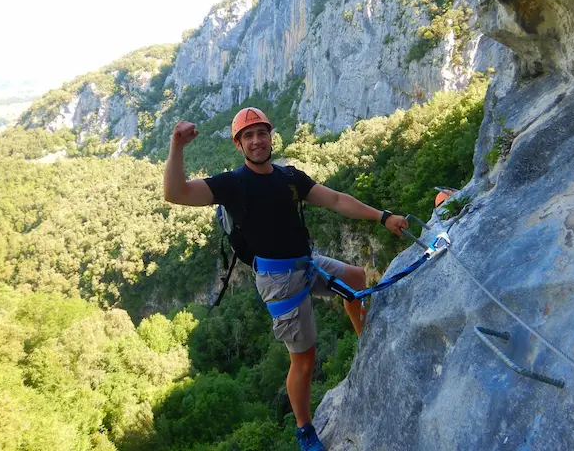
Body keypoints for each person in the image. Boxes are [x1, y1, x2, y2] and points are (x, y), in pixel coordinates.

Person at [164, 107, 408, 451]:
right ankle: (304, 428)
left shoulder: (290, 178)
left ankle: (366, 342)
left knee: (354, 277)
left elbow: (337, 200)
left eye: (260, 132)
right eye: (247, 136)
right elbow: (175, 193)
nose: (256, 140)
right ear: (239, 145)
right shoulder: (232, 185)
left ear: (271, 135)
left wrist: (383, 217)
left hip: (306, 262)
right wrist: (177, 145)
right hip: (279, 281)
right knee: (304, 360)